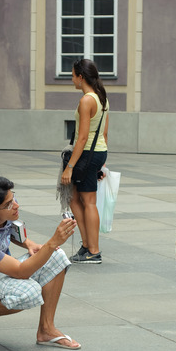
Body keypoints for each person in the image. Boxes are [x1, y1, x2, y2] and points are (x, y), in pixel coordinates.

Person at [0, 176, 80, 350]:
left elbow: (10, 230)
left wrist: (28, 243)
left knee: (56, 256)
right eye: (8, 204)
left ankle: (46, 329)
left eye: (13, 197)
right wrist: (52, 242)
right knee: (29, 292)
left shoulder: (2, 210)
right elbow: (21, 272)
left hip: (0, 272)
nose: (16, 205)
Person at [62, 58, 109, 264]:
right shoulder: (101, 98)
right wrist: (101, 162)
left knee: (88, 202)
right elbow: (104, 133)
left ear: (81, 77)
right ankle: (87, 245)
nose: (72, 79)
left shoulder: (87, 100)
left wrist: (69, 167)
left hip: (87, 153)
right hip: (97, 152)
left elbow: (82, 137)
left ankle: (94, 251)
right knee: (75, 199)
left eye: (73, 76)